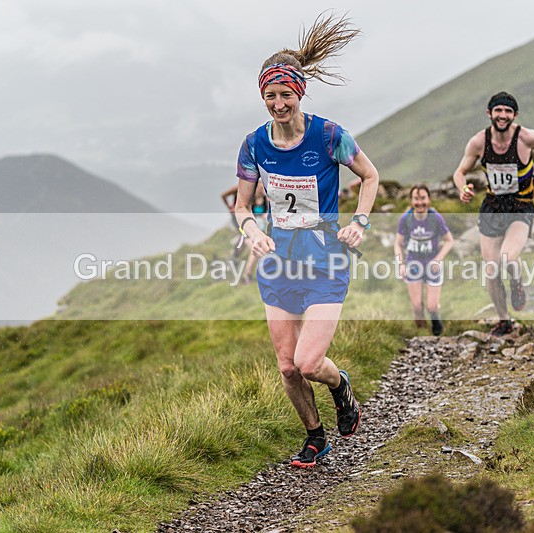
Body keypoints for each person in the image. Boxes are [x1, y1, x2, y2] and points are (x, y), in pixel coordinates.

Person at [232, 13, 379, 468]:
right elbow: (242, 206)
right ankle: (315, 437)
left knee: (311, 362)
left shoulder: (329, 135)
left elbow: (370, 176)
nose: (278, 104)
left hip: (325, 262)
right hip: (279, 264)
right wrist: (252, 230)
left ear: (300, 93)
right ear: (263, 96)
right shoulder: (254, 145)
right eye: (270, 96)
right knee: (287, 367)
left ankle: (341, 388)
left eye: (286, 95)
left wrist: (360, 222)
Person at [452, 91, 534, 336]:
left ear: (515, 115)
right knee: (491, 268)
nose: (502, 115)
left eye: (508, 111)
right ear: (489, 113)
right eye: (498, 110)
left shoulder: (525, 137)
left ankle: (517, 284)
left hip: (520, 207)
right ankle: (504, 319)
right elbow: (459, 172)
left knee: (507, 259)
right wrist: (462, 189)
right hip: (493, 208)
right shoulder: (478, 142)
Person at [394, 184, 454, 335]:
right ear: (411, 200)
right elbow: (398, 243)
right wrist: (400, 264)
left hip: (432, 266)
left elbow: (449, 241)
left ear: (429, 199)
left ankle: (436, 323)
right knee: (417, 306)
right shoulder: (406, 219)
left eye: (423, 198)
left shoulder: (436, 218)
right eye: (416, 199)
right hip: (413, 265)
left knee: (432, 306)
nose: (420, 203)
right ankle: (421, 334)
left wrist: (438, 259)